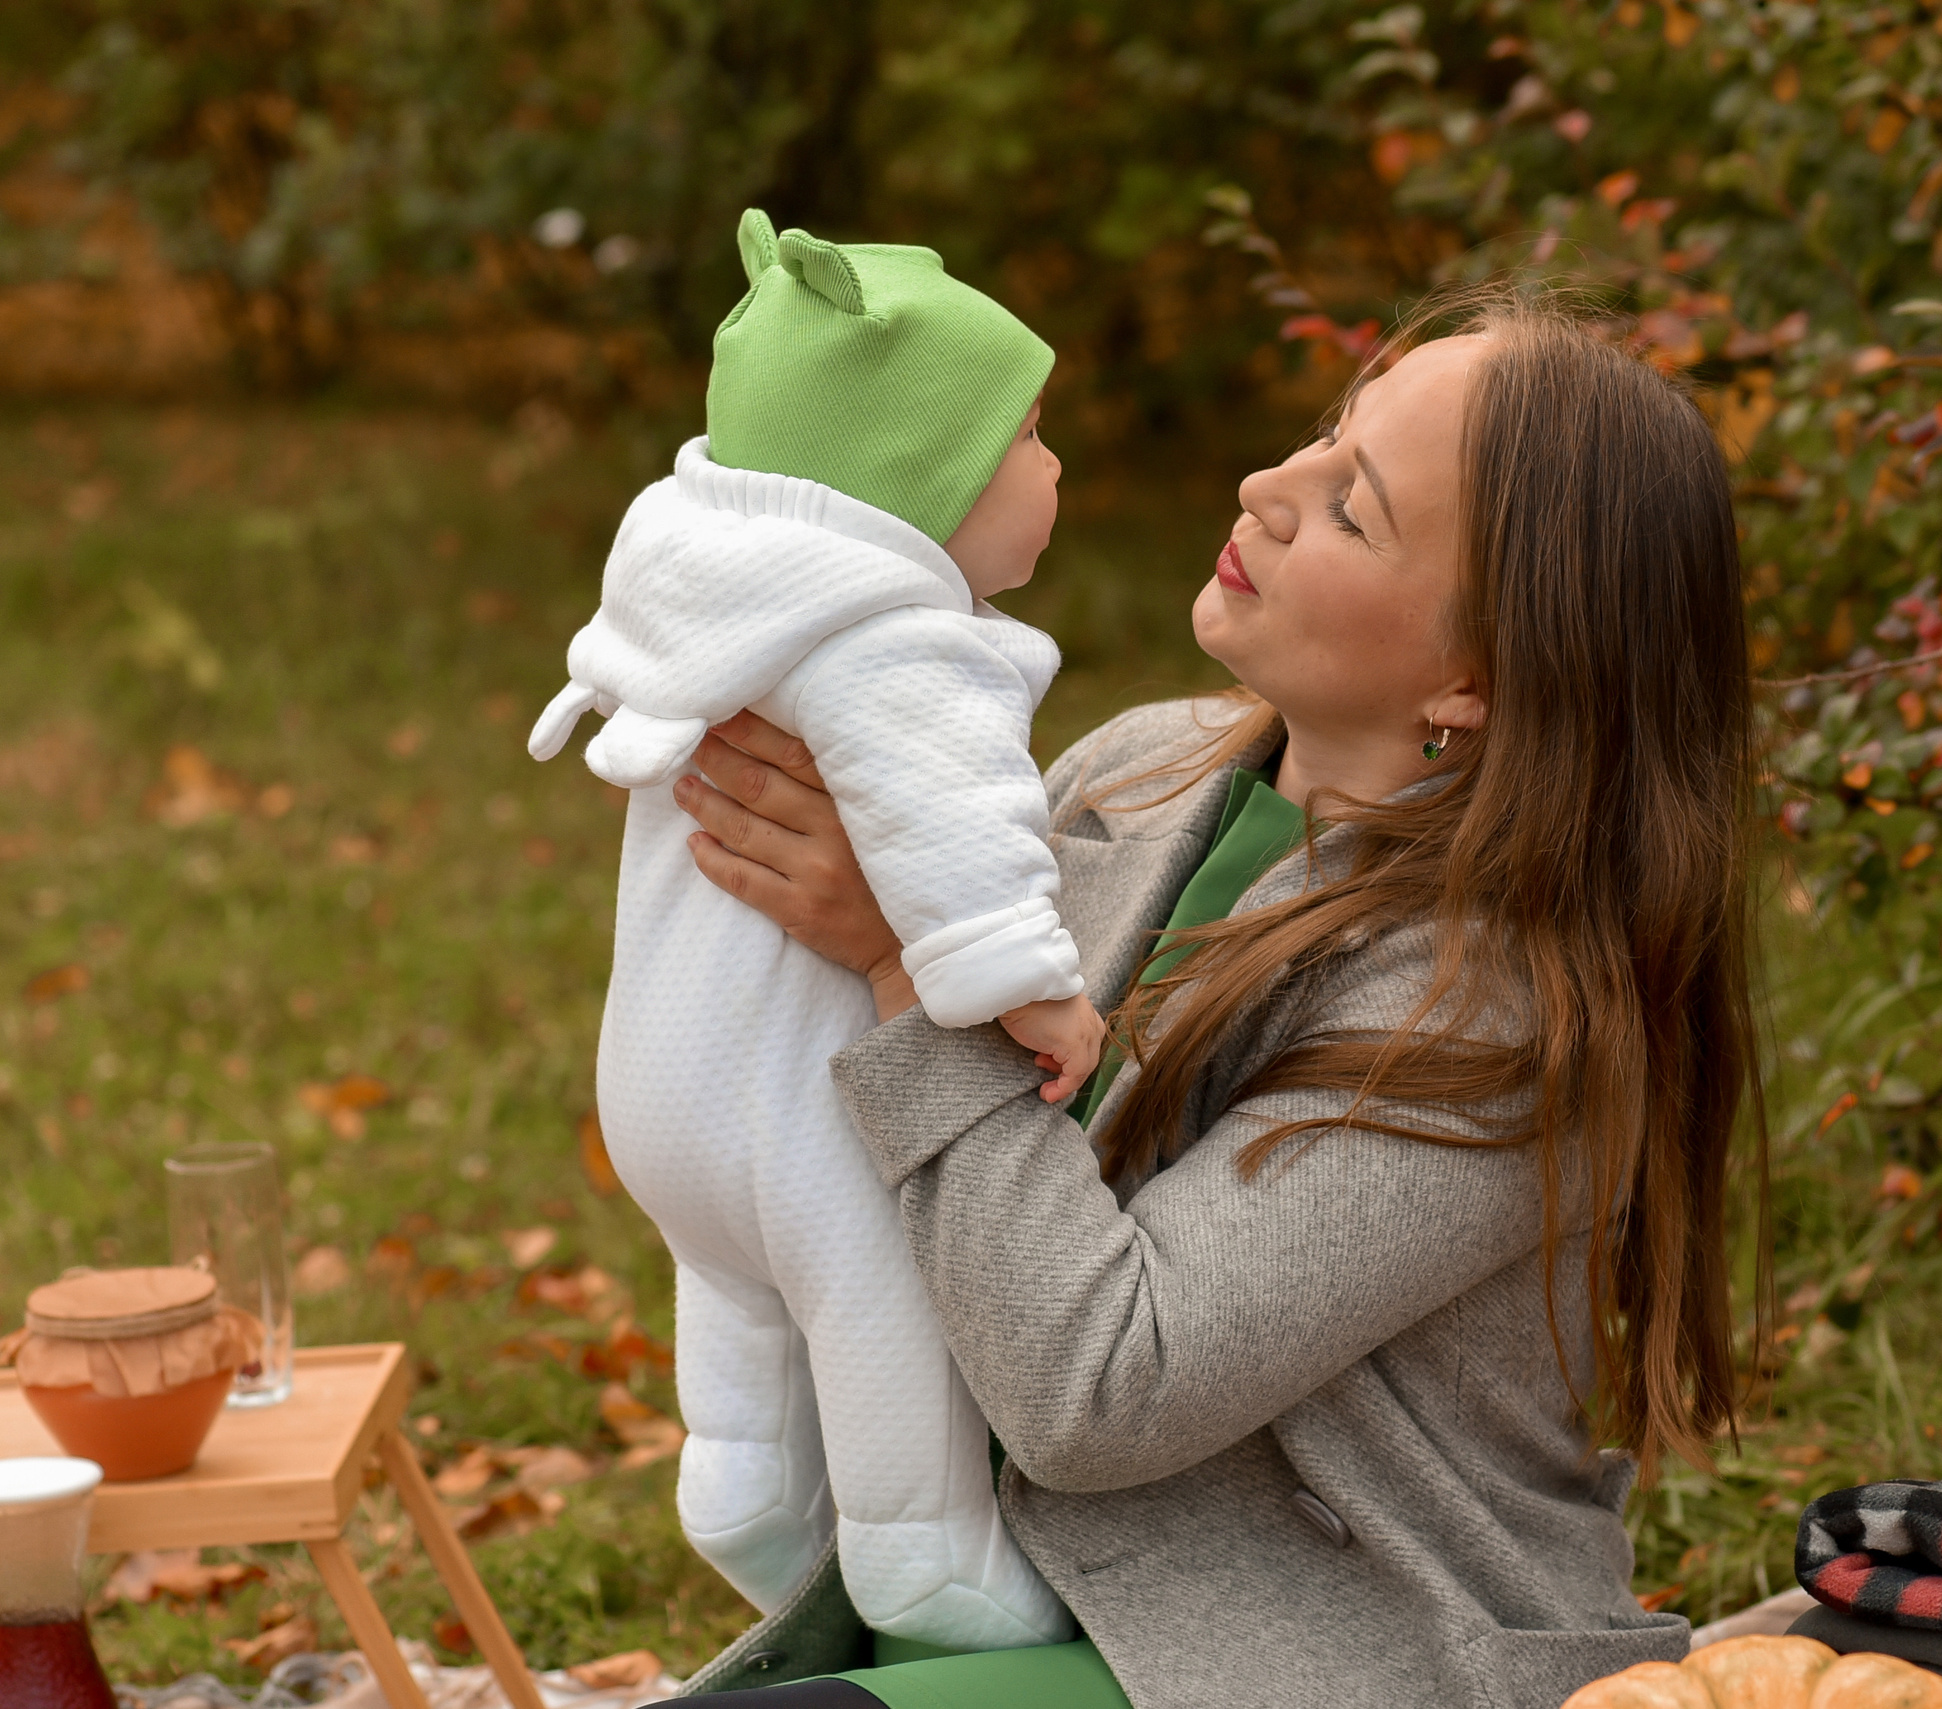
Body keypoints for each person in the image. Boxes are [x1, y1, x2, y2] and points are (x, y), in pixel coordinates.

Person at [659, 298, 1763, 1709]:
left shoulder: (1505, 1012)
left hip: (1320, 1644)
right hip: (1010, 1585)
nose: (1268, 488)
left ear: (1475, 676)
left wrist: (905, 965)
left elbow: (1100, 1389)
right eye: (1324, 437)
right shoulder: (1135, 774)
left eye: (1353, 509)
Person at [528, 210, 1109, 1653]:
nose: (1054, 470)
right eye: (1029, 439)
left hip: (661, 1092)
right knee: (869, 1299)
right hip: (807, 1122)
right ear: (927, 478)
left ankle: (739, 1498)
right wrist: (1030, 990)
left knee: (739, 1338)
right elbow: (958, 824)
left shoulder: (711, 594)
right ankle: (926, 1563)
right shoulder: (896, 635)